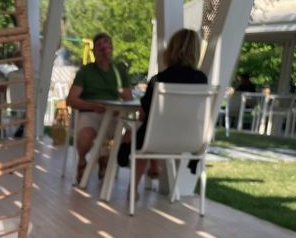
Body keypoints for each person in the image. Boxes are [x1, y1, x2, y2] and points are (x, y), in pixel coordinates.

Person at [120, 29, 207, 191]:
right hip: (190, 139)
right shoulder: (202, 80)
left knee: (144, 137)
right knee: (150, 133)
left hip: (156, 137)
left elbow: (144, 113)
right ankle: (153, 165)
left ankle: (133, 189)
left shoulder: (159, 79)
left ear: (171, 50)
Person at [65, 33, 133, 182]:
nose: (104, 48)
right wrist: (92, 106)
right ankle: (82, 160)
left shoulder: (119, 70)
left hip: (113, 113)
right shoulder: (85, 71)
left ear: (112, 48)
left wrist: (120, 107)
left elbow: (128, 98)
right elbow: (71, 100)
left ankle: (106, 157)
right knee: (86, 136)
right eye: (100, 46)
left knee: (132, 132)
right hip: (90, 112)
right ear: (94, 51)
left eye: (107, 44)